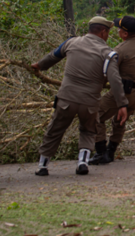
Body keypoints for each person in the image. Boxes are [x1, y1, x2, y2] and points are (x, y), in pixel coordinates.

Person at [31, 16, 128, 176]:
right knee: (88, 130)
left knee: (55, 129)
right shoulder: (108, 53)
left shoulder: (71, 42)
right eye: (108, 32)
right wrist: (122, 104)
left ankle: (43, 165)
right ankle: (82, 162)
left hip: (66, 98)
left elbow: (52, 56)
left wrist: (39, 66)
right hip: (89, 101)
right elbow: (115, 81)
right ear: (103, 32)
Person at [90, 16, 135, 165]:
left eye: (119, 29)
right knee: (120, 121)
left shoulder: (120, 50)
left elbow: (109, 72)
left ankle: (101, 152)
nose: (117, 31)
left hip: (122, 92)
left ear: (124, 33)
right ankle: (111, 151)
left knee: (97, 116)